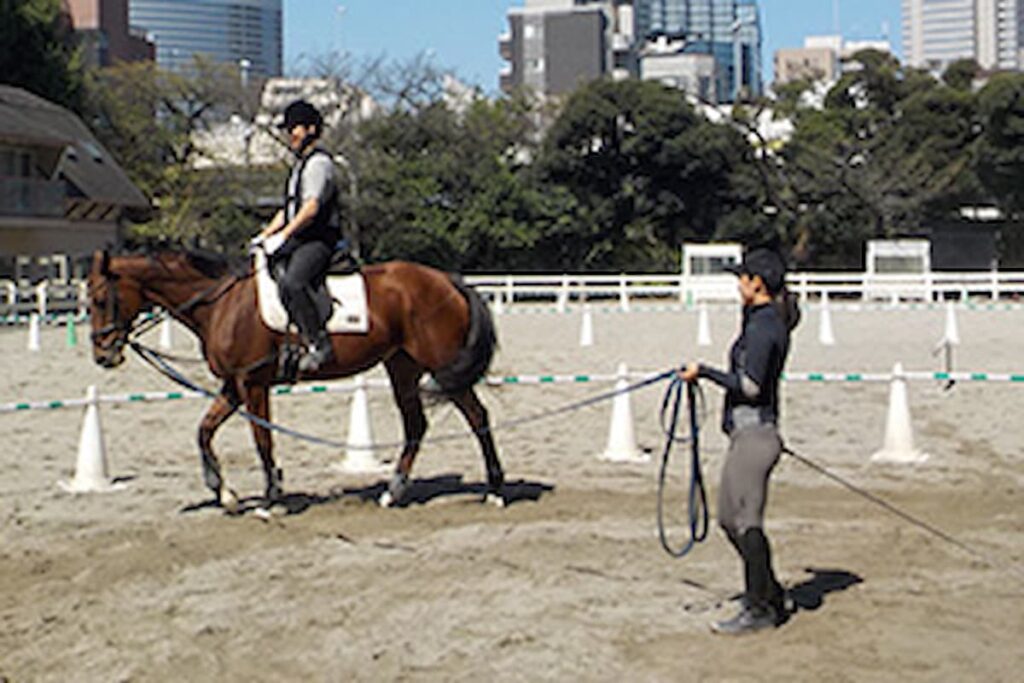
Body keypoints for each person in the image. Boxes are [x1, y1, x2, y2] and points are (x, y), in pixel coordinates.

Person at [680, 247, 799, 635]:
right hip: (745, 435)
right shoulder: (760, 321)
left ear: (757, 284)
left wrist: (705, 372)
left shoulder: (764, 328)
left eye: (742, 279)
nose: (737, 285)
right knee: (729, 519)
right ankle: (770, 593)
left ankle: (759, 609)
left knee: (746, 521)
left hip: (755, 436)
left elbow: (750, 385)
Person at [253, 99, 340, 373]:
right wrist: (264, 235)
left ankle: (318, 343)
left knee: (294, 281)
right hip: (298, 237)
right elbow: (289, 209)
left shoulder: (318, 164)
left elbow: (310, 208)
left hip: (317, 240)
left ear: (311, 129)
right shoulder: (299, 165)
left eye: (295, 128)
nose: (290, 134)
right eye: (288, 128)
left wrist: (284, 235)